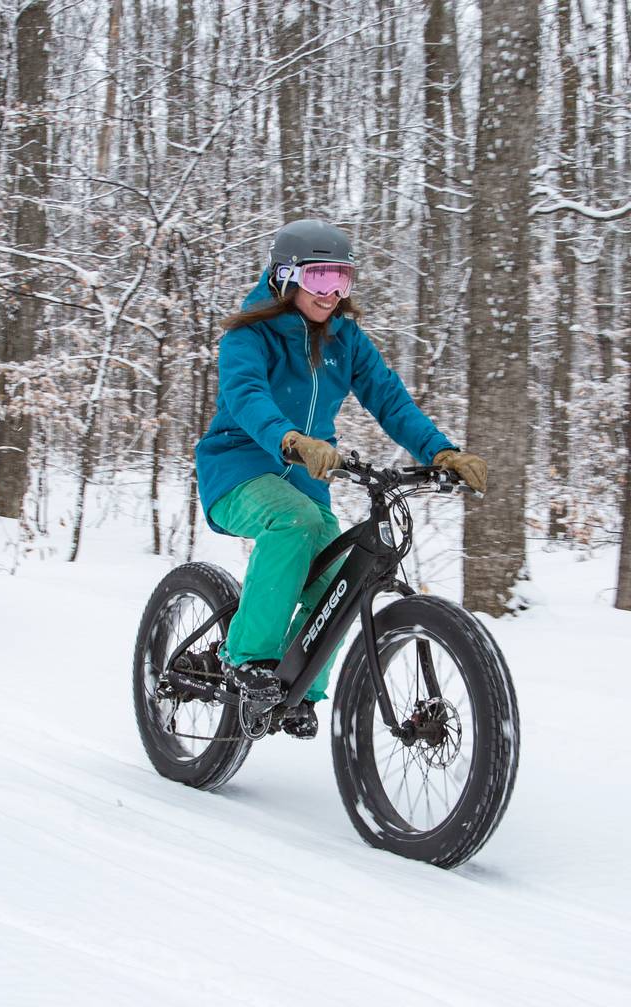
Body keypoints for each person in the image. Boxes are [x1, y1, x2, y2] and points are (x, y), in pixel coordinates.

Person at [194, 219, 486, 739]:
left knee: (338, 576)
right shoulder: (248, 336)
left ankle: (300, 686)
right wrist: (288, 439)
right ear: (285, 277)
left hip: (304, 481)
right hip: (237, 469)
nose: (331, 294)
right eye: (319, 280)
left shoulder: (345, 341)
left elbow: (390, 400)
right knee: (295, 523)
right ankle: (249, 660)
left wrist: (440, 451)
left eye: (342, 281)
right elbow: (247, 397)